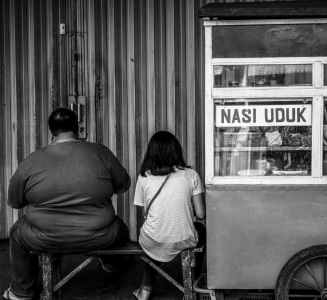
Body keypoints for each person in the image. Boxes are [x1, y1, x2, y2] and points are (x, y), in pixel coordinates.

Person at [3, 108, 131, 300]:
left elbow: (15, 201)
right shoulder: (100, 152)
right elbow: (123, 185)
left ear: (51, 132)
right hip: (101, 235)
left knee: (16, 233)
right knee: (120, 228)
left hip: (43, 237)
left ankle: (21, 293)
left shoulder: (31, 161)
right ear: (77, 128)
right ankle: (112, 265)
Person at [132, 131, 206, 300]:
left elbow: (144, 213)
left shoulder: (144, 177)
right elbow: (201, 214)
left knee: (155, 235)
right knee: (200, 229)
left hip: (152, 238)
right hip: (183, 237)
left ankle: (145, 291)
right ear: (176, 151)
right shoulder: (190, 175)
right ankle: (192, 284)